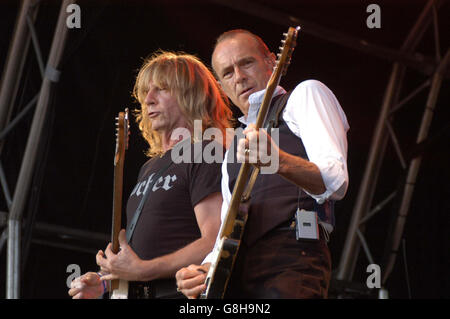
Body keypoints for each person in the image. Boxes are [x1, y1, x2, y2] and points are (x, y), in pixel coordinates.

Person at [175, 29, 349, 299]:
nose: (240, 77)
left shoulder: (304, 95)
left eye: (246, 63)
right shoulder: (232, 150)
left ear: (272, 62)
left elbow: (335, 182)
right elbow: (226, 231)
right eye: (228, 73)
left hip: (292, 258)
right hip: (239, 274)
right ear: (222, 88)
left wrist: (277, 160)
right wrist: (203, 271)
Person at [68, 51, 232, 299]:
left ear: (192, 95)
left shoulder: (205, 152)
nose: (149, 100)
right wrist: (105, 283)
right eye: (146, 92)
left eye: (162, 89)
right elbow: (145, 252)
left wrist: (143, 270)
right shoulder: (150, 167)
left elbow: (215, 241)